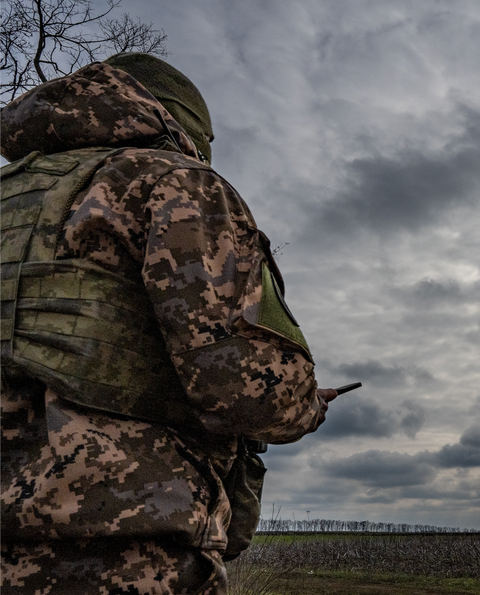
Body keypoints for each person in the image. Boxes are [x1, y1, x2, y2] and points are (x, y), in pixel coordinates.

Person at [1, 53, 337, 594]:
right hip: (119, 553)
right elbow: (243, 388)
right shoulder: (172, 181)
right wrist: (307, 405)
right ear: (182, 124)